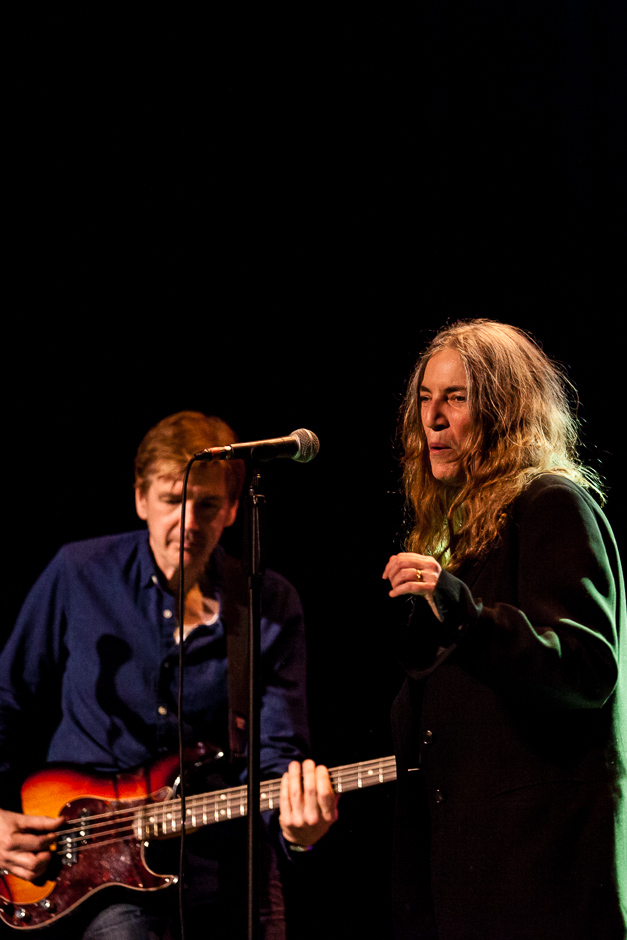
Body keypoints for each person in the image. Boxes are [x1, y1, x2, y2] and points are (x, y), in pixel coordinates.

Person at [0, 411, 337, 939]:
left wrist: (298, 832)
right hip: (93, 871)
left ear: (231, 508)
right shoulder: (78, 573)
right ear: (140, 499)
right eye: (171, 500)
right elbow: (5, 700)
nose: (188, 521)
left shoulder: (266, 602)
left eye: (207, 504)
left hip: (226, 865)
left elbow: (276, 755)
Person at [382, 320, 626, 940]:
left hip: (539, 884)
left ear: (506, 411)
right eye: (424, 399)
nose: (432, 419)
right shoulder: (461, 538)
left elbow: (584, 670)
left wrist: (459, 609)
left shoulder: (551, 505)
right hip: (466, 885)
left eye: (456, 398)